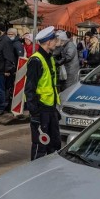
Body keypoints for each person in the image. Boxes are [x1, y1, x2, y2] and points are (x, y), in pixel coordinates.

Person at [25, 26, 62, 160]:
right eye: (54, 40)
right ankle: (35, 173)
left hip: (50, 108)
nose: (56, 42)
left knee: (55, 144)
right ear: (48, 42)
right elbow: (29, 89)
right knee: (40, 145)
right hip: (40, 110)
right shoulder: (36, 60)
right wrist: (34, 113)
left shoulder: (50, 58)